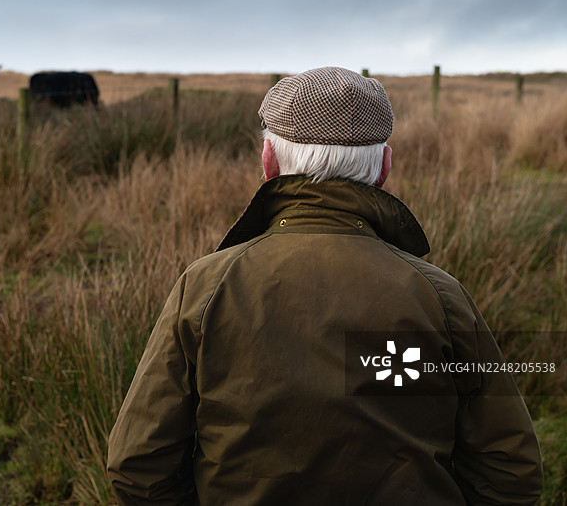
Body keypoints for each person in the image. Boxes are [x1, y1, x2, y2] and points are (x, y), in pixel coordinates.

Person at [106, 66, 543, 505]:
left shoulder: (205, 287)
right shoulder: (439, 295)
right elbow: (511, 470)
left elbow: (138, 466)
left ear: (269, 162)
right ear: (384, 167)